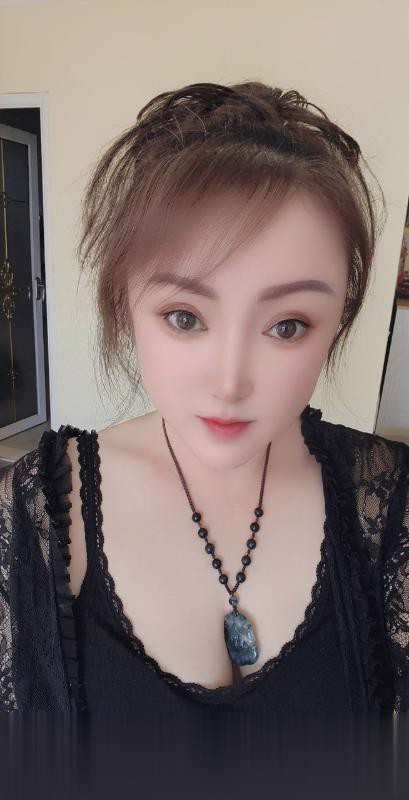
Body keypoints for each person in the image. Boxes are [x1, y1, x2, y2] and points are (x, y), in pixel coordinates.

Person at [0, 80, 408, 716]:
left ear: (337, 322)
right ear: (125, 304)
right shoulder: (33, 514)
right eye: (185, 317)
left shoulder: (391, 504)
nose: (229, 381)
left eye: (287, 326)